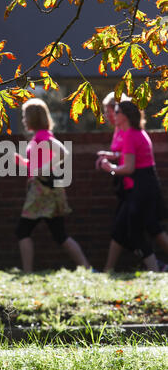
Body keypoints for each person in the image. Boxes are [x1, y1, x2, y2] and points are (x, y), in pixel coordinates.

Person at [15, 97, 91, 273]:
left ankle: (27, 272)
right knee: (59, 235)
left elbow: (63, 153)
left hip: (43, 190)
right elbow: (40, 164)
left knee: (23, 231)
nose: (24, 120)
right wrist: (24, 163)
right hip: (45, 189)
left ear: (33, 118)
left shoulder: (43, 136)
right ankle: (87, 269)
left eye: (26, 116)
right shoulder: (39, 137)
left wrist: (43, 169)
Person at [100, 100, 168, 272]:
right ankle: (155, 270)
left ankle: (155, 271)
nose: (113, 116)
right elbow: (126, 156)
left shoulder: (131, 134)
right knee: (139, 230)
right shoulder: (136, 133)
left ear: (125, 116)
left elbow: (129, 167)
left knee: (136, 231)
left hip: (141, 188)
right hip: (144, 187)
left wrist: (111, 169)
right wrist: (111, 157)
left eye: (116, 112)